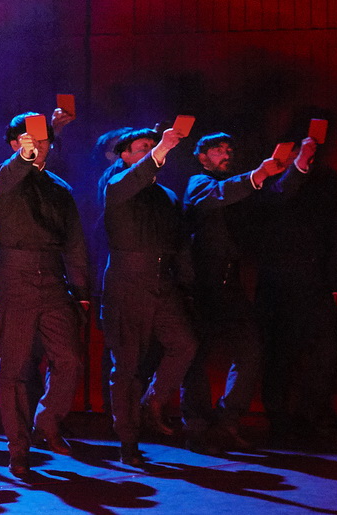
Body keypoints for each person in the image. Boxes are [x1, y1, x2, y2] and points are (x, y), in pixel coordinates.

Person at [0, 112, 90, 475]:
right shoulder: (6, 176)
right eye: (30, 140)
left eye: (44, 140)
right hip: (15, 278)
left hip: (52, 277)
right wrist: (24, 156)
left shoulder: (60, 188)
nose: (39, 146)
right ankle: (18, 447)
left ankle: (46, 421)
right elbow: (8, 176)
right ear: (15, 144)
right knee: (13, 367)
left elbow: (75, 242)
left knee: (70, 360)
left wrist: (81, 290)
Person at [180, 133, 289, 454]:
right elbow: (217, 195)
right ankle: (197, 427)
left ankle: (228, 420)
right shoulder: (198, 182)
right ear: (202, 157)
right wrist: (258, 175)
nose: (226, 154)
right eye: (218, 150)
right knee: (196, 356)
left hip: (231, 282)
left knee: (250, 349)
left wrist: (286, 170)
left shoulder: (236, 186)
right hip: (201, 285)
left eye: (229, 149)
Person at [98, 127, 199, 464]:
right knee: (126, 366)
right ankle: (128, 440)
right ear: (125, 155)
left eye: (154, 147)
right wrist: (161, 149)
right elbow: (137, 177)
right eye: (143, 148)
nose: (153, 151)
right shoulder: (117, 185)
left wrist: (186, 284)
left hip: (162, 283)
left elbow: (180, 244)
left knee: (185, 344)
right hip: (127, 283)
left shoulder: (167, 195)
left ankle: (152, 401)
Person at [253, 135, 337, 446]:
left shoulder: (325, 181)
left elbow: (336, 231)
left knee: (325, 351)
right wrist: (296, 167)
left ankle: (312, 414)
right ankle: (279, 418)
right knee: (280, 352)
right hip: (278, 284)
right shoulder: (265, 177)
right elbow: (277, 198)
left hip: (316, 281)